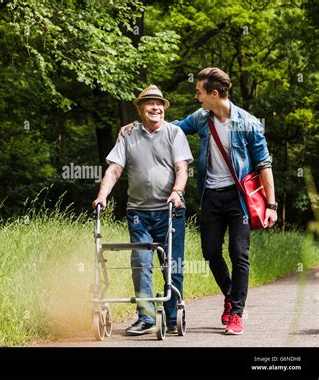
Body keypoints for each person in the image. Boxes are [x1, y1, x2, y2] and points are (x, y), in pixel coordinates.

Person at [119, 68, 278, 335]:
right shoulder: (202, 118)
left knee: (239, 254)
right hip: (211, 196)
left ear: (214, 94)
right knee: (210, 252)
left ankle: (236, 313)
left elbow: (264, 164)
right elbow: (170, 129)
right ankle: (230, 294)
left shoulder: (248, 123)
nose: (196, 97)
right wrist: (137, 127)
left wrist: (271, 205)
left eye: (199, 92)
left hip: (239, 198)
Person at [93, 85, 193, 335]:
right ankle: (147, 317)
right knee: (140, 261)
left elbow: (182, 168)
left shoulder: (175, 133)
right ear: (139, 109)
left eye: (159, 104)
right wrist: (102, 196)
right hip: (139, 212)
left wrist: (177, 192)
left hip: (170, 210)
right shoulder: (127, 135)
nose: (156, 107)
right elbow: (114, 169)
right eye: (150, 103)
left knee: (173, 265)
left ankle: (171, 317)